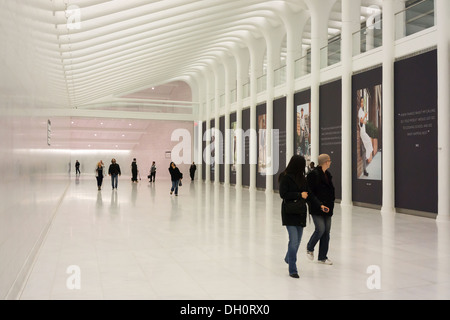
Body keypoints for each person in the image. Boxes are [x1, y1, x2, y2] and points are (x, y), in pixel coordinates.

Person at [279, 155, 329, 279]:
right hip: (289, 212)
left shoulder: (302, 178)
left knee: (297, 241)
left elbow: (310, 195)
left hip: (300, 213)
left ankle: (288, 258)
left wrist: (320, 205)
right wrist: (299, 194)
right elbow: (283, 194)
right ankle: (292, 269)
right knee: (294, 241)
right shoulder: (284, 177)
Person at [306, 154, 335, 265]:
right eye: (329, 160)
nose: (330, 162)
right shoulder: (313, 175)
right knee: (320, 229)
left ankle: (322, 257)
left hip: (327, 207)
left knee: (326, 232)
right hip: (317, 207)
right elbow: (310, 192)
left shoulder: (328, 174)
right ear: (325, 162)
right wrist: (319, 205)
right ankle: (310, 247)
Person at [358, 97, 372, 176]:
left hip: (363, 131)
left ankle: (364, 169)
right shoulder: (360, 111)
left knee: (365, 148)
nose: (362, 103)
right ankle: (364, 169)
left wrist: (365, 120)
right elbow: (360, 122)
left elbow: (364, 122)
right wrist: (365, 116)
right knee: (368, 143)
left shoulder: (361, 111)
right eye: (361, 102)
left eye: (363, 102)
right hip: (362, 133)